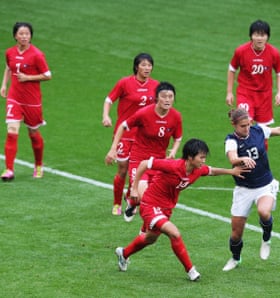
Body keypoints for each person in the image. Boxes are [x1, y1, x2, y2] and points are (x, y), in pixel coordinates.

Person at [114, 138, 249, 281]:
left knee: (150, 238)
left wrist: (231, 171)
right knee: (174, 233)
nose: (203, 160)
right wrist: (134, 189)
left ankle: (124, 253)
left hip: (166, 209)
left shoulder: (197, 170)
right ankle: (191, 270)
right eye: (201, 157)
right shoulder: (172, 166)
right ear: (190, 157)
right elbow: (144, 164)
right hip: (150, 205)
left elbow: (212, 171)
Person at [222, 108, 280, 271]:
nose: (247, 128)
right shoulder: (231, 140)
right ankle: (235, 258)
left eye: (248, 124)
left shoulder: (258, 130)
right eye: (243, 126)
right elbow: (232, 158)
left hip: (264, 184)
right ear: (233, 125)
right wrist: (242, 159)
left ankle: (266, 237)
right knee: (236, 234)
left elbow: (278, 130)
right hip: (244, 189)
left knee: (264, 212)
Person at [105, 81, 182, 222]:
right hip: (139, 159)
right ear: (156, 98)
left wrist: (173, 151)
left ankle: (133, 204)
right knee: (146, 196)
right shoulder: (144, 113)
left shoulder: (176, 117)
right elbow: (123, 126)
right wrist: (113, 148)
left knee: (150, 198)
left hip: (158, 161)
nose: (167, 100)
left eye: (170, 97)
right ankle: (136, 209)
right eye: (164, 96)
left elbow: (178, 137)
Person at [102, 53, 159, 215]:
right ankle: (116, 203)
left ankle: (130, 197)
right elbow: (109, 100)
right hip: (124, 133)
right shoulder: (125, 83)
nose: (147, 68)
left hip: (143, 136)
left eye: (149, 65)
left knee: (137, 169)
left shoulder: (156, 85)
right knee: (122, 169)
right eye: (144, 65)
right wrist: (106, 116)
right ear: (136, 67)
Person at [0, 22, 52, 181]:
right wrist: (4, 85)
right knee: (12, 130)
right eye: (21, 34)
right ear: (15, 35)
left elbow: (48, 75)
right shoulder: (10, 52)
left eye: (27, 34)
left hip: (32, 101)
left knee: (33, 133)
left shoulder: (37, 55)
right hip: (14, 97)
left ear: (30, 36)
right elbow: (9, 68)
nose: (24, 37)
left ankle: (38, 164)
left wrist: (28, 77)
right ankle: (9, 169)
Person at [225, 20, 280, 126]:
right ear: (251, 36)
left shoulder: (274, 53)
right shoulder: (241, 51)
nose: (260, 38)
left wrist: (279, 93)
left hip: (265, 96)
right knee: (245, 124)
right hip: (245, 93)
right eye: (256, 35)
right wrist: (229, 92)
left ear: (267, 37)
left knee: (263, 132)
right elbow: (232, 69)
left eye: (263, 35)